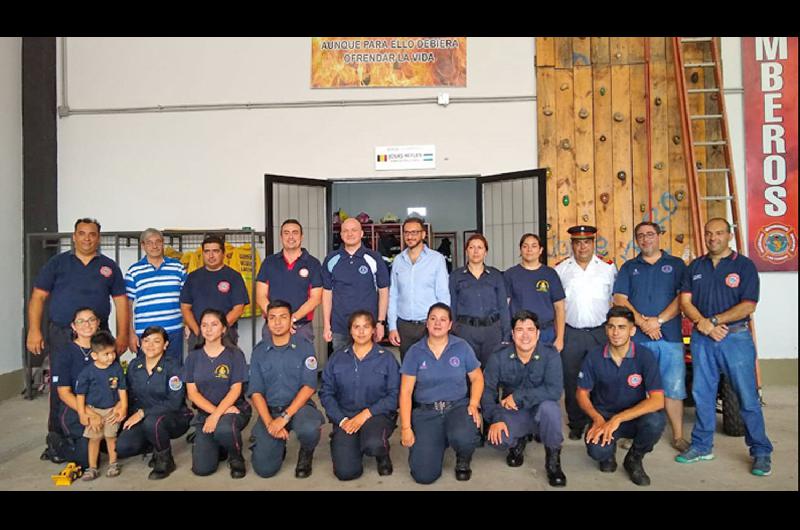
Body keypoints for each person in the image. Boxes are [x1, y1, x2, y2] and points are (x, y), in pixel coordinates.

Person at [676, 218, 773, 476]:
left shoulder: (744, 266)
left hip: (735, 338)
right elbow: (685, 301)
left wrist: (715, 321)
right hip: (703, 340)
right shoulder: (695, 266)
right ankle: (702, 446)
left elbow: (748, 305)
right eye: (708, 233)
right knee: (702, 395)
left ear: (729, 236)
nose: (713, 238)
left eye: (719, 233)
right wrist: (703, 324)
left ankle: (761, 452)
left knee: (747, 397)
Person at [27, 218, 129, 455]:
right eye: (81, 233)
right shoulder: (57, 263)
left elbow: (122, 302)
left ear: (98, 237)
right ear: (74, 237)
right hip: (62, 332)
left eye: (92, 234)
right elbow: (38, 297)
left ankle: (103, 436)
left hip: (100, 332)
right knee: (60, 384)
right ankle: (58, 439)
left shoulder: (108, 267)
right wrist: (34, 330)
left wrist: (122, 335)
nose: (87, 238)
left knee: (105, 382)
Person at [613, 221, 689, 452]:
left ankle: (678, 436)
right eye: (641, 236)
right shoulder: (628, 267)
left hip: (670, 338)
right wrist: (643, 323)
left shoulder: (676, 265)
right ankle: (637, 434)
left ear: (659, 236)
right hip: (639, 339)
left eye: (650, 234)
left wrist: (659, 321)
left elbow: (683, 299)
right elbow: (620, 299)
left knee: (673, 388)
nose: (646, 239)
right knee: (637, 388)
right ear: (637, 240)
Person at [576, 306, 666, 486]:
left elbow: (658, 400)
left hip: (634, 417)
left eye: (621, 327)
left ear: (632, 330)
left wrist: (619, 418)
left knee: (656, 421)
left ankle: (634, 458)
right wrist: (597, 418)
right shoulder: (594, 356)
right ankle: (608, 454)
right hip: (603, 418)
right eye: (611, 327)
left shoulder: (645, 356)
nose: (615, 332)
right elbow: (581, 393)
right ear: (606, 329)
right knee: (598, 452)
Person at [399, 303, 483, 484]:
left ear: (450, 324)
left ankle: (463, 457)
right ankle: (439, 439)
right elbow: (405, 392)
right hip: (426, 413)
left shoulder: (462, 347)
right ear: (427, 323)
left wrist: (474, 404)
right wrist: (406, 428)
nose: (438, 323)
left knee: (464, 435)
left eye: (443, 319)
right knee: (423, 476)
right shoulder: (415, 352)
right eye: (433, 319)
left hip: (457, 407)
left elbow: (477, 378)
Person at [482, 310, 566, 487]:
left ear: (538, 333)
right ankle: (518, 441)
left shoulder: (550, 355)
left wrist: (519, 396)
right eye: (519, 330)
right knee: (497, 440)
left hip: (539, 411)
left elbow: (554, 391)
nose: (525, 335)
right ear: (512, 334)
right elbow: (487, 391)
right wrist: (496, 420)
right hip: (514, 413)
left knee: (550, 409)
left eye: (530, 329)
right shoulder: (499, 357)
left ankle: (553, 460)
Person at [320, 310, 401, 480]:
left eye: (366, 326)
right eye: (356, 327)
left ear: (373, 330)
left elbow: (394, 396)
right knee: (346, 473)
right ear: (350, 331)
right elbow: (326, 393)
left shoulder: (386, 359)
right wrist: (341, 420)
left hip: (376, 415)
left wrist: (365, 415)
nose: (361, 331)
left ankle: (382, 452)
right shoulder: (337, 358)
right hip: (346, 417)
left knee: (373, 444)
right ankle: (345, 443)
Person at [249, 300, 324, 479]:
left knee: (309, 428)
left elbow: (309, 386)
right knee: (264, 470)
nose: (277, 322)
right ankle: (275, 444)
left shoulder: (305, 347)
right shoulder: (259, 351)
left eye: (283, 317)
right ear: (267, 321)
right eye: (272, 318)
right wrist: (270, 424)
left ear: (291, 320)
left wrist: (284, 418)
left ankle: (306, 453)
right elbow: (256, 392)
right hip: (271, 410)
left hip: (299, 408)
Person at [555, 225, 617, 440]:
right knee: (571, 379)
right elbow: (557, 305)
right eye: (578, 242)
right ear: (572, 244)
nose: (582, 246)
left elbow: (614, 300)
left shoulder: (608, 268)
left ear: (593, 243)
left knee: (601, 378)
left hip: (600, 333)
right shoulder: (561, 269)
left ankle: (598, 419)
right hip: (571, 333)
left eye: (587, 242)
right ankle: (576, 422)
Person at [117, 326, 192, 480]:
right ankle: (154, 444)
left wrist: (142, 413)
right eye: (146, 341)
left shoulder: (173, 367)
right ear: (141, 343)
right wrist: (121, 408)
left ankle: (165, 459)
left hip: (173, 417)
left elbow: (174, 403)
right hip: (143, 417)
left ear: (165, 345)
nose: (150, 345)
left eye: (156, 341)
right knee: (123, 447)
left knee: (153, 422)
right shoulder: (134, 366)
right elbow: (129, 395)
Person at [184, 308, 252, 478]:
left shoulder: (235, 354)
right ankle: (219, 445)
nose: (208, 329)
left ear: (223, 329)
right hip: (206, 413)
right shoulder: (193, 357)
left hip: (234, 409)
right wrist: (215, 413)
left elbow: (236, 390)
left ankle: (236, 458)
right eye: (204, 325)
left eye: (214, 325)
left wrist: (216, 416)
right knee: (202, 469)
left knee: (225, 428)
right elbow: (192, 394)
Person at [42, 307, 104, 468]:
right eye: (81, 321)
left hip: (102, 406)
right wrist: (90, 413)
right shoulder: (65, 352)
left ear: (98, 323)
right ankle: (58, 443)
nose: (87, 324)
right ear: (73, 326)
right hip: (75, 409)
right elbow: (63, 393)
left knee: (119, 447)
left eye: (91, 320)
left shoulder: (105, 349)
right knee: (87, 460)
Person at [322, 218, 390, 352]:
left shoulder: (374, 258)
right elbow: (327, 293)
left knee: (368, 366)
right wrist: (326, 324)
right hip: (340, 327)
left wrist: (380, 322)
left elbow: (383, 291)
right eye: (345, 231)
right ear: (341, 235)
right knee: (342, 367)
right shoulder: (331, 259)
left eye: (354, 230)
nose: (350, 234)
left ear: (362, 233)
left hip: (367, 327)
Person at [388, 217, 450, 360]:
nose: (410, 236)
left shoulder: (436, 259)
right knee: (408, 369)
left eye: (415, 232)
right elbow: (393, 295)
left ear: (423, 234)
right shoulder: (398, 260)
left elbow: (443, 294)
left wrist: (443, 324)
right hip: (404, 326)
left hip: (429, 325)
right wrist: (392, 327)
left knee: (432, 366)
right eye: (407, 233)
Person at [125, 228, 187, 364]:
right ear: (143, 245)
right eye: (149, 242)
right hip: (145, 334)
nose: (154, 246)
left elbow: (186, 300)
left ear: (163, 243)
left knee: (173, 375)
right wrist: (130, 333)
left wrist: (188, 324)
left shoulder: (177, 267)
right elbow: (127, 305)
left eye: (158, 242)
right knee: (145, 376)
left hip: (173, 331)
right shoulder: (134, 271)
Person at [255, 219, 323, 343]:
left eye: (295, 232)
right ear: (281, 237)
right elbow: (260, 296)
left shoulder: (313, 263)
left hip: (301, 327)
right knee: (270, 362)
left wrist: (292, 319)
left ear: (302, 237)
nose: (290, 236)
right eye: (286, 233)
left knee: (302, 362)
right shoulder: (269, 262)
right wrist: (276, 319)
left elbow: (316, 298)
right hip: (272, 328)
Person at [449, 233, 510, 367]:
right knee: (468, 371)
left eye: (480, 247)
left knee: (492, 371)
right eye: (471, 247)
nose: (476, 251)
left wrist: (506, 334)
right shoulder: (456, 276)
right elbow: (452, 305)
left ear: (485, 252)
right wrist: (455, 330)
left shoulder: (495, 275)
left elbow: (503, 307)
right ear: (466, 251)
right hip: (466, 331)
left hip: (492, 331)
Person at [75, 330, 128, 480]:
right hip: (94, 411)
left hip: (112, 410)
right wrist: (82, 414)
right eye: (106, 354)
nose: (111, 357)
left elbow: (122, 390)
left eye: (112, 352)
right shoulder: (87, 373)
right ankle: (92, 468)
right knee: (94, 439)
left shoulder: (117, 369)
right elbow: (80, 395)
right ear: (94, 355)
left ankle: (113, 464)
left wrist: (123, 407)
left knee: (111, 437)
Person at [180, 234, 249, 350]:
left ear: (223, 253)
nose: (211, 255)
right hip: (198, 336)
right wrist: (199, 332)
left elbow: (238, 308)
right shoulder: (192, 277)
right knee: (197, 368)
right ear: (202, 253)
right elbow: (185, 308)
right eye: (207, 251)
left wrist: (218, 330)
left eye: (215, 251)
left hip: (226, 335)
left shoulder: (234, 277)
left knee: (226, 367)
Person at [504, 233, 566, 351]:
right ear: (520, 250)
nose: (529, 250)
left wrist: (559, 338)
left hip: (546, 333)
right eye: (525, 246)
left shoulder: (550, 274)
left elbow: (559, 308)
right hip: (521, 334)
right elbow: (505, 307)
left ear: (540, 250)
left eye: (533, 246)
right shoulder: (510, 275)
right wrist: (507, 336)